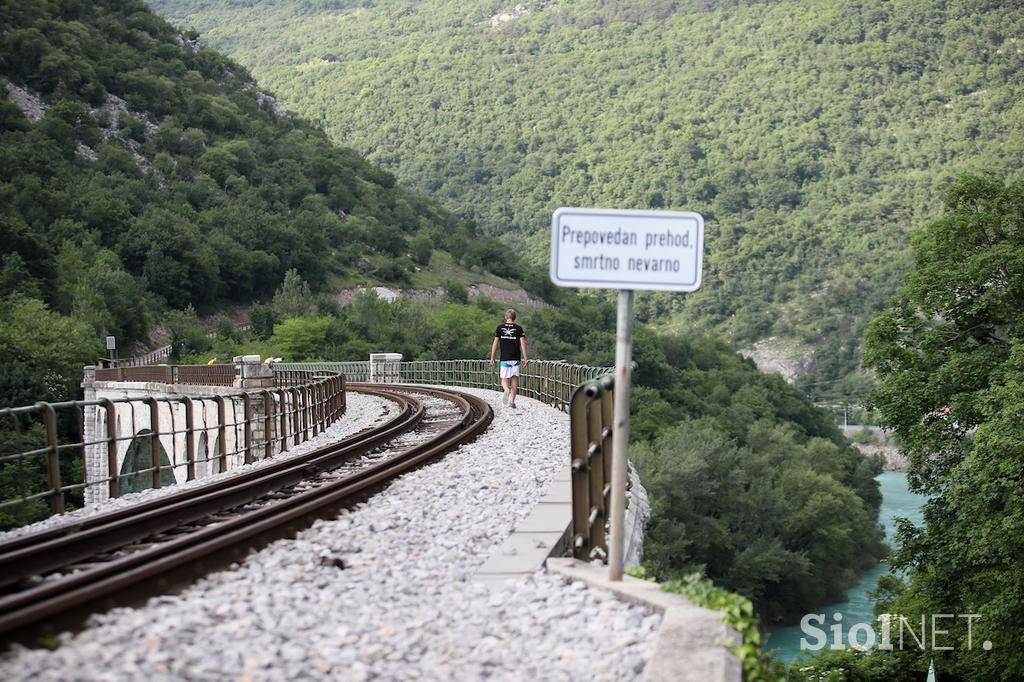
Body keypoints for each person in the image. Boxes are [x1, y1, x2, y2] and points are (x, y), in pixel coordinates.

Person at [490, 308, 527, 409]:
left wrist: (492, 357)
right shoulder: (519, 328)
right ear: (514, 318)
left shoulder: (500, 328)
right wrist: (525, 358)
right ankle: (512, 402)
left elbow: (495, 343)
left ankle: (506, 389)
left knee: (504, 378)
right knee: (514, 378)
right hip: (515, 358)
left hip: (504, 358)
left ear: (506, 317)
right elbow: (523, 344)